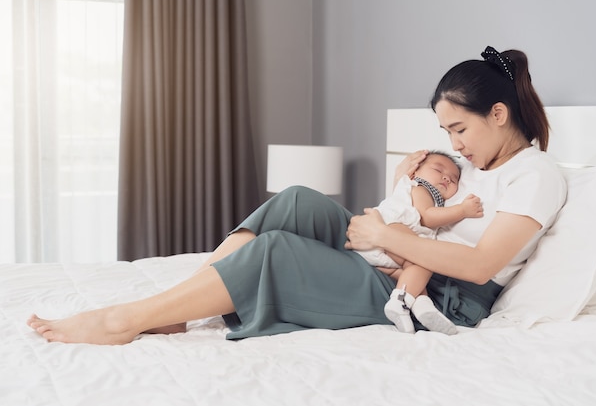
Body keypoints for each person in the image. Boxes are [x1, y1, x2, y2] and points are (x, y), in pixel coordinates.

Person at [27, 46, 567, 345]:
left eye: (460, 130)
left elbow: (478, 265)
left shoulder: (536, 175)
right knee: (297, 199)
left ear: (498, 114)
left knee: (277, 251)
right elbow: (424, 214)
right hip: (406, 253)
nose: (453, 144)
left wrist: (385, 236)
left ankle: (126, 319)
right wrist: (397, 207)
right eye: (446, 132)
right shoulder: (470, 166)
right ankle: (174, 308)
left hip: (441, 294)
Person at [355, 151, 484, 335]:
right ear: (414, 172)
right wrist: (462, 210)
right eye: (438, 169)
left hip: (383, 250)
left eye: (454, 179)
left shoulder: (431, 195)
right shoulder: (421, 187)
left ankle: (422, 304)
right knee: (427, 260)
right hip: (391, 227)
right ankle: (400, 302)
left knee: (412, 270)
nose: (446, 177)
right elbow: (427, 217)